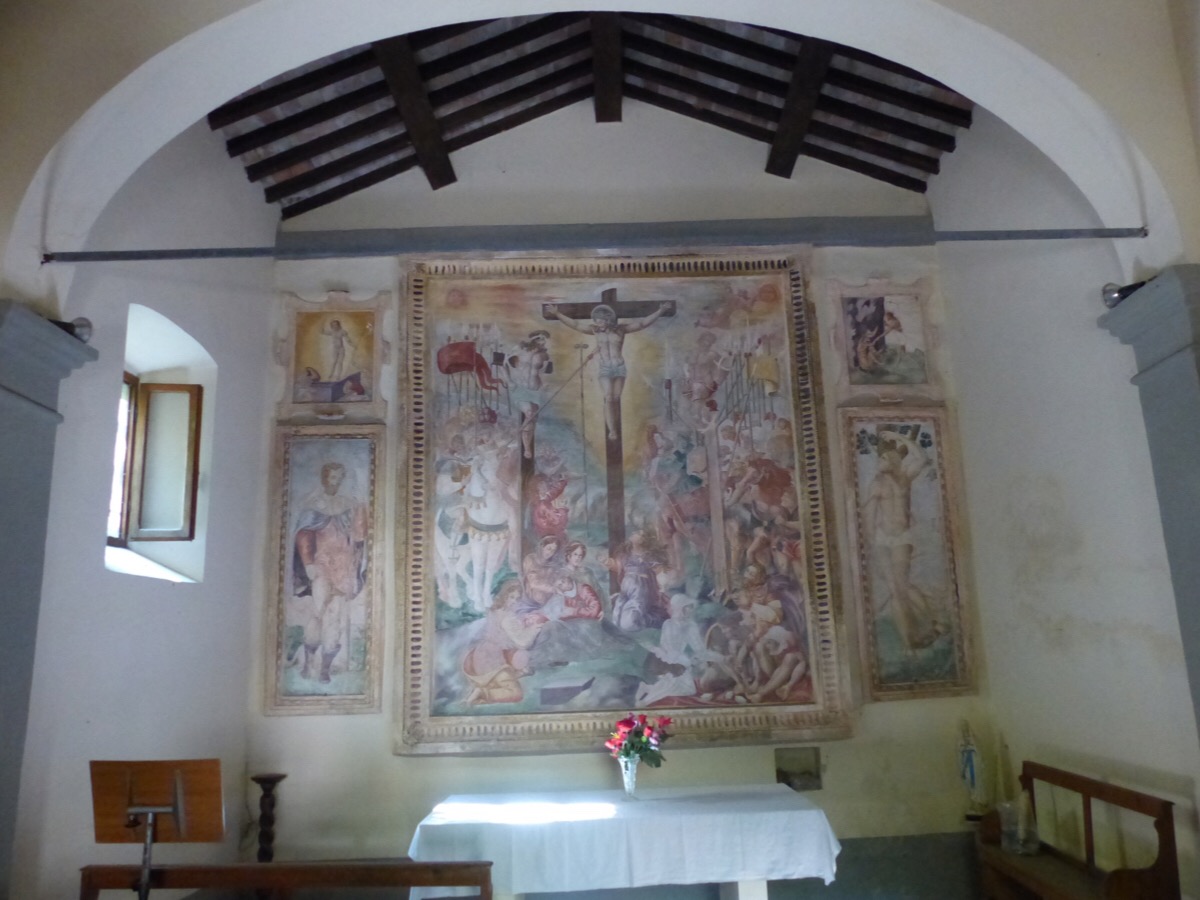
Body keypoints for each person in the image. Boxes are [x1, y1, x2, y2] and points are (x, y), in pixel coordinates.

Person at [863, 427, 945, 652]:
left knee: (901, 587)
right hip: (882, 539)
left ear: (893, 459)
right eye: (879, 458)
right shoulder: (876, 484)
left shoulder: (904, 478)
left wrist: (900, 437)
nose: (879, 462)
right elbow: (869, 515)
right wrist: (869, 541)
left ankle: (928, 626)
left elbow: (922, 458)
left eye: (883, 458)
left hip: (901, 538)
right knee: (896, 589)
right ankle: (911, 641)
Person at [545, 301, 670, 439]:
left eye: (601, 320)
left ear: (608, 319)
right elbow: (576, 325)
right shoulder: (595, 330)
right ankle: (612, 430)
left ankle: (614, 427)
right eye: (596, 320)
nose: (598, 323)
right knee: (609, 397)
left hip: (619, 368)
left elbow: (642, 324)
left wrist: (661, 311)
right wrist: (557, 313)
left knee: (616, 398)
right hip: (605, 368)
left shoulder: (621, 330)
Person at [291, 461, 368, 683]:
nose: (334, 482)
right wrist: (308, 563)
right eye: (331, 478)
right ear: (324, 479)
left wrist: (361, 508)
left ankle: (325, 668)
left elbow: (359, 537)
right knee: (318, 612)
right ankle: (309, 662)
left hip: (344, 569)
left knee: (336, 617)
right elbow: (304, 535)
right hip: (322, 566)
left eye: (338, 478)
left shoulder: (348, 505)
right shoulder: (314, 505)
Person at [322, 318, 356, 382]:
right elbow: (322, 332)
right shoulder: (331, 332)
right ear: (332, 326)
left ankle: (338, 376)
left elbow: (348, 340)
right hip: (335, 349)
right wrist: (322, 324)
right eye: (333, 325)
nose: (335, 326)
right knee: (334, 362)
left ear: (339, 325)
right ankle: (331, 374)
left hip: (341, 349)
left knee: (340, 362)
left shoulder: (342, 331)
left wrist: (353, 345)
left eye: (336, 325)